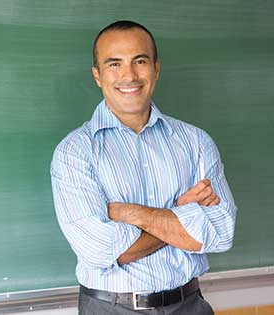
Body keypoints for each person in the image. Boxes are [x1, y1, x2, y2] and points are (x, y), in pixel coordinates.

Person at [51, 20, 237, 315]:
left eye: (140, 61)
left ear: (156, 68)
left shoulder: (196, 142)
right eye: (114, 64)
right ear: (97, 76)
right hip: (110, 308)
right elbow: (101, 251)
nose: (129, 75)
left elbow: (221, 232)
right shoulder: (75, 152)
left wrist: (131, 213)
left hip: (190, 305)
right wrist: (183, 216)